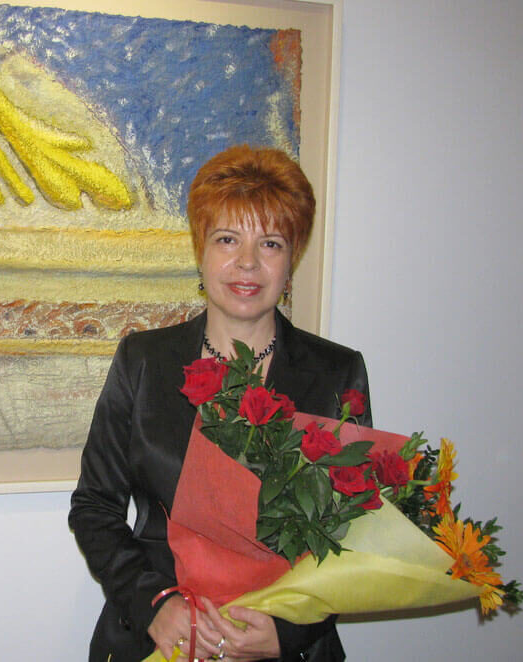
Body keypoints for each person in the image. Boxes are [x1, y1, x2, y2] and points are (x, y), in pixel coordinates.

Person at [69, 145, 371, 662]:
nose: (247, 262)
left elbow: (357, 531)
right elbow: (95, 506)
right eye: (227, 239)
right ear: (201, 251)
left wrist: (287, 632)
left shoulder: (336, 372)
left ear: (292, 258)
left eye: (270, 243)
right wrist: (155, 604)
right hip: (159, 640)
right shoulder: (144, 361)